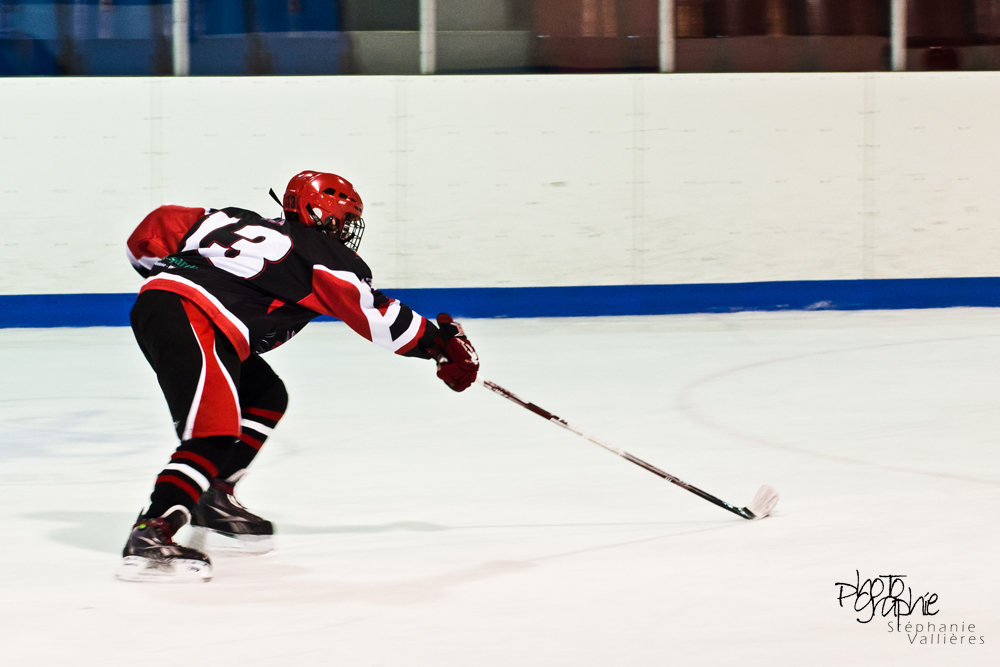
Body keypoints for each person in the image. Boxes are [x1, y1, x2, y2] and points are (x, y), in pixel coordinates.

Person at [117, 171, 479, 583]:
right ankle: (151, 533)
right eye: (344, 220)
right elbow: (374, 314)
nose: (345, 231)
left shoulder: (232, 218)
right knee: (212, 433)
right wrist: (437, 346)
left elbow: (154, 229)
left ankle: (212, 494)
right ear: (322, 216)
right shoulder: (321, 252)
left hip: (171, 307)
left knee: (266, 395)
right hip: (195, 316)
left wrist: (172, 277)